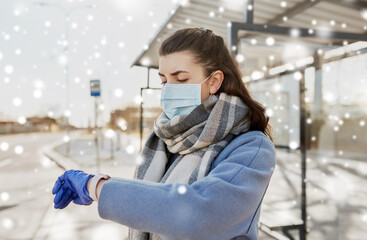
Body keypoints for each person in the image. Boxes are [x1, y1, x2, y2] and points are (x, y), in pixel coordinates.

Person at [52, 27, 276, 240]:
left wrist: (97, 186)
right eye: (164, 80)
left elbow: (197, 214)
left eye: (181, 79)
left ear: (214, 81)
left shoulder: (252, 148)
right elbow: (153, 211)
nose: (169, 89)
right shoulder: (165, 140)